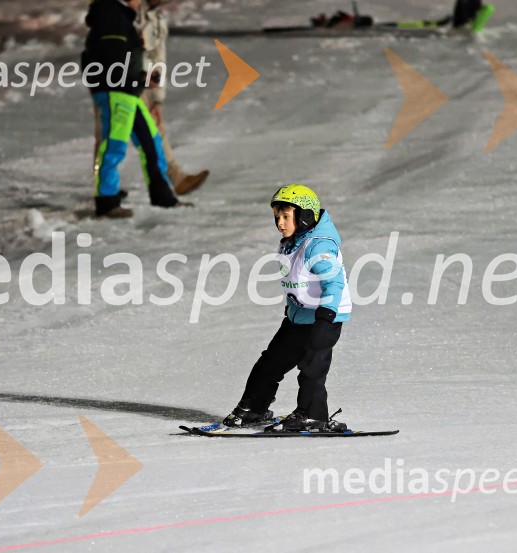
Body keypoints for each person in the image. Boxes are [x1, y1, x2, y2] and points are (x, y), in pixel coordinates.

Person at [223, 185, 352, 432]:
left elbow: (333, 283)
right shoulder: (292, 242)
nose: (280, 223)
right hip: (299, 316)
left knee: (312, 367)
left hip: (325, 316)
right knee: (271, 363)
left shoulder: (318, 246)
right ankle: (253, 408)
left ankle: (312, 415)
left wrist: (325, 318)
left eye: (286, 216)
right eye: (277, 217)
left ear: (305, 216)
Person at [82, 0, 181, 218]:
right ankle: (106, 201)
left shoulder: (121, 16)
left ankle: (162, 196)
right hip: (117, 92)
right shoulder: (111, 14)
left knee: (151, 142)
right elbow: (109, 60)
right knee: (114, 145)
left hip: (128, 91)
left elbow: (118, 58)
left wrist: (141, 78)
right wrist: (136, 79)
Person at [138, 0, 209, 195]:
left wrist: (156, 98)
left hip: (144, 81)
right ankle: (104, 193)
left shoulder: (156, 16)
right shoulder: (128, 12)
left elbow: (158, 57)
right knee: (109, 138)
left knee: (154, 130)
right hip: (122, 80)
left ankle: (175, 178)